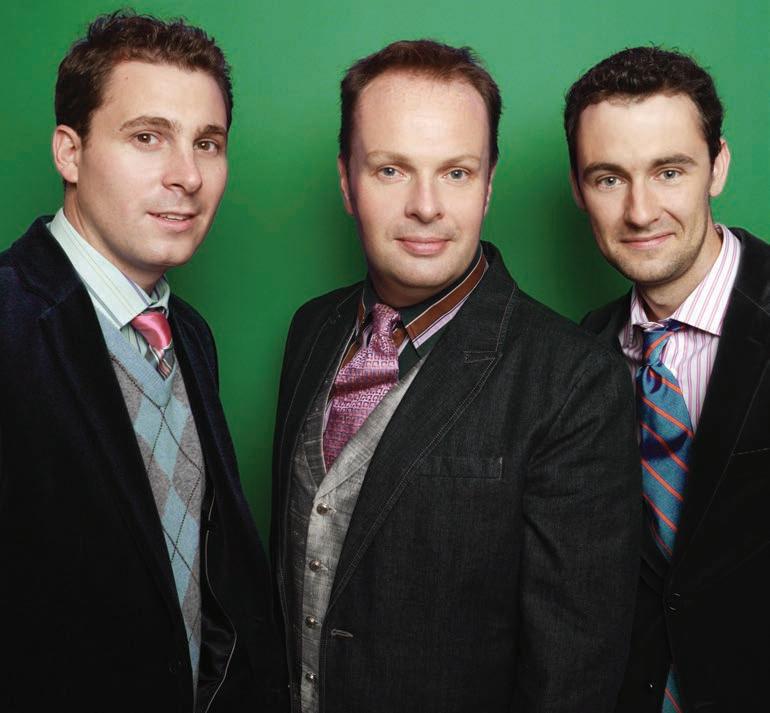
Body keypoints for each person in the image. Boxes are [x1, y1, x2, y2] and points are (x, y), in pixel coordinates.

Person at [271, 39, 641, 713]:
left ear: (489, 184)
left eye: (457, 173)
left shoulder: (575, 381)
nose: (426, 206)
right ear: (347, 180)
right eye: (391, 170)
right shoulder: (311, 329)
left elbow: (573, 677)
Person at [0, 11, 282, 712]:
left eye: (207, 143)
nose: (186, 175)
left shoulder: (189, 335)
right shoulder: (8, 320)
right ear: (70, 153)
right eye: (147, 137)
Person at [568, 46, 769, 712]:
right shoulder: (576, 358)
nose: (640, 210)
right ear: (578, 189)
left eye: (669, 171)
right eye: (608, 179)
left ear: (718, 166)